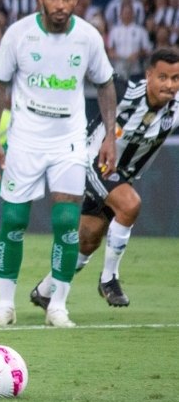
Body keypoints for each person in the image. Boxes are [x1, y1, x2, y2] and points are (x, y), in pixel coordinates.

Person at [0, 0, 117, 329]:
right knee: (13, 220)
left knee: (66, 222)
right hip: (25, 138)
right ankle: (5, 305)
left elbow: (105, 85)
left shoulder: (88, 37)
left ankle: (58, 305)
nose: (60, 5)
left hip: (68, 141)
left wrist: (109, 137)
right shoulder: (19, 34)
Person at [29, 48, 179, 309]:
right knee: (130, 204)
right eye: (163, 77)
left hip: (120, 176)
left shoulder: (175, 108)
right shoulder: (125, 91)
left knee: (88, 240)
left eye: (176, 79)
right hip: (91, 162)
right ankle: (109, 278)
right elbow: (96, 73)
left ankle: (44, 291)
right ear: (149, 75)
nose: (169, 85)